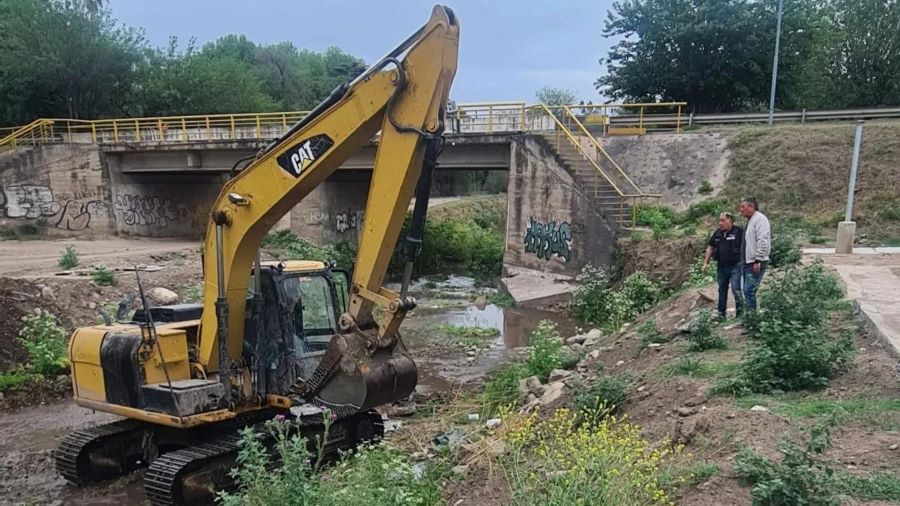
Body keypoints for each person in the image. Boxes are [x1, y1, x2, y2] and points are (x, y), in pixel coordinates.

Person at [702, 212, 744, 319]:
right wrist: (706, 263)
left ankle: (740, 315)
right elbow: (710, 247)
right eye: (719, 220)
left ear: (730, 220)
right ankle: (721, 315)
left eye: (723, 220)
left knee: (736, 289)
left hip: (736, 265)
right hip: (721, 266)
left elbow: (747, 246)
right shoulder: (717, 233)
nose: (720, 223)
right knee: (722, 290)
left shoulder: (739, 232)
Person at [740, 197, 771, 312]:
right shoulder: (751, 220)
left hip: (756, 262)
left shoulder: (760, 219)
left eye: (743, 207)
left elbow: (763, 240)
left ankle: (751, 320)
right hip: (749, 261)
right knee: (747, 291)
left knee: (749, 290)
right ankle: (749, 317)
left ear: (751, 207)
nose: (740, 210)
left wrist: (758, 259)